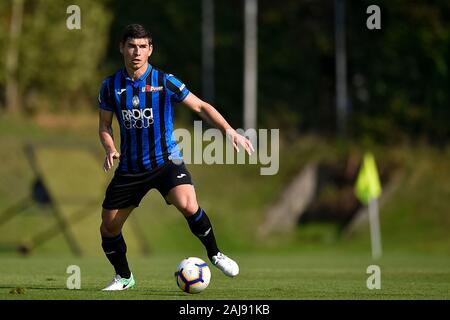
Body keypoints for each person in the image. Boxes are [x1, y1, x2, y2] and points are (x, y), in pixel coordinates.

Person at [98, 24, 254, 291]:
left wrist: (229, 131)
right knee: (108, 229)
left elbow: (201, 106)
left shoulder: (164, 81)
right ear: (122, 48)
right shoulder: (110, 86)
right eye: (132, 46)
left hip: (165, 162)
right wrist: (110, 148)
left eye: (142, 46)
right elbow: (104, 126)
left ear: (150, 50)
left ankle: (215, 253)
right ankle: (124, 277)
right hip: (130, 168)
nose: (137, 52)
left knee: (187, 204)